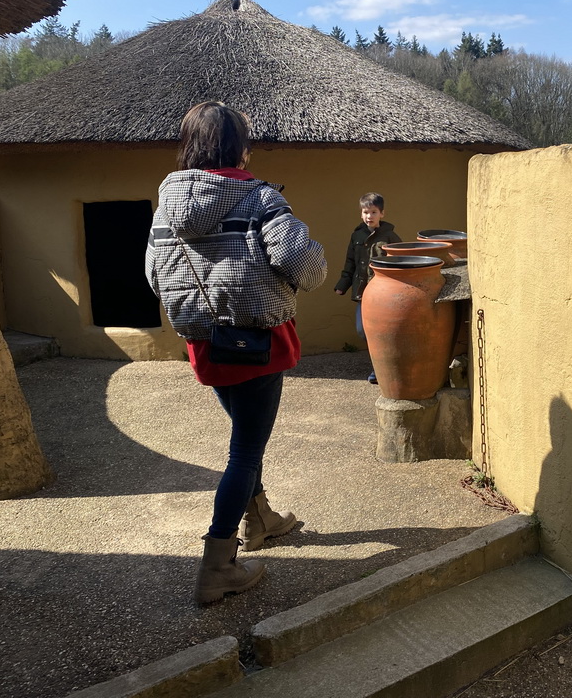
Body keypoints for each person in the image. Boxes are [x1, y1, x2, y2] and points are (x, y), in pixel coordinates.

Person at [145, 101, 326, 604]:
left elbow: (152, 275)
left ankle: (262, 518)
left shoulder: (166, 206)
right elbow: (301, 263)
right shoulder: (261, 198)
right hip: (258, 344)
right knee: (244, 450)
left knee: (245, 436)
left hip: (207, 345)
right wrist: (315, 262)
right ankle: (218, 564)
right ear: (240, 148)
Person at [333, 193, 401, 383]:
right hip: (363, 293)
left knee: (382, 331)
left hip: (384, 293)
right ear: (361, 214)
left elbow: (400, 262)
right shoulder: (356, 235)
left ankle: (379, 370)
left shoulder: (390, 236)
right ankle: (378, 363)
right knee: (363, 330)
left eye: (373, 212)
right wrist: (343, 285)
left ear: (382, 213)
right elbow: (350, 263)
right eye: (365, 212)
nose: (369, 216)